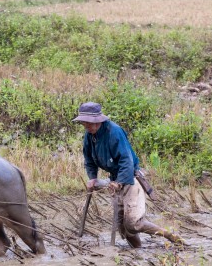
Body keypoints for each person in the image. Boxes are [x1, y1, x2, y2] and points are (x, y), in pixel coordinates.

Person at [73, 102, 184, 247]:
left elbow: (127, 160)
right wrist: (92, 178)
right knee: (124, 229)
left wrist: (119, 182)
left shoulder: (114, 132)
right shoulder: (89, 136)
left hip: (130, 178)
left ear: (98, 120)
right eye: (84, 122)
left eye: (88, 122)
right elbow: (89, 159)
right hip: (115, 179)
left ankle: (169, 235)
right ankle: (137, 251)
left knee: (133, 223)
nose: (86, 125)